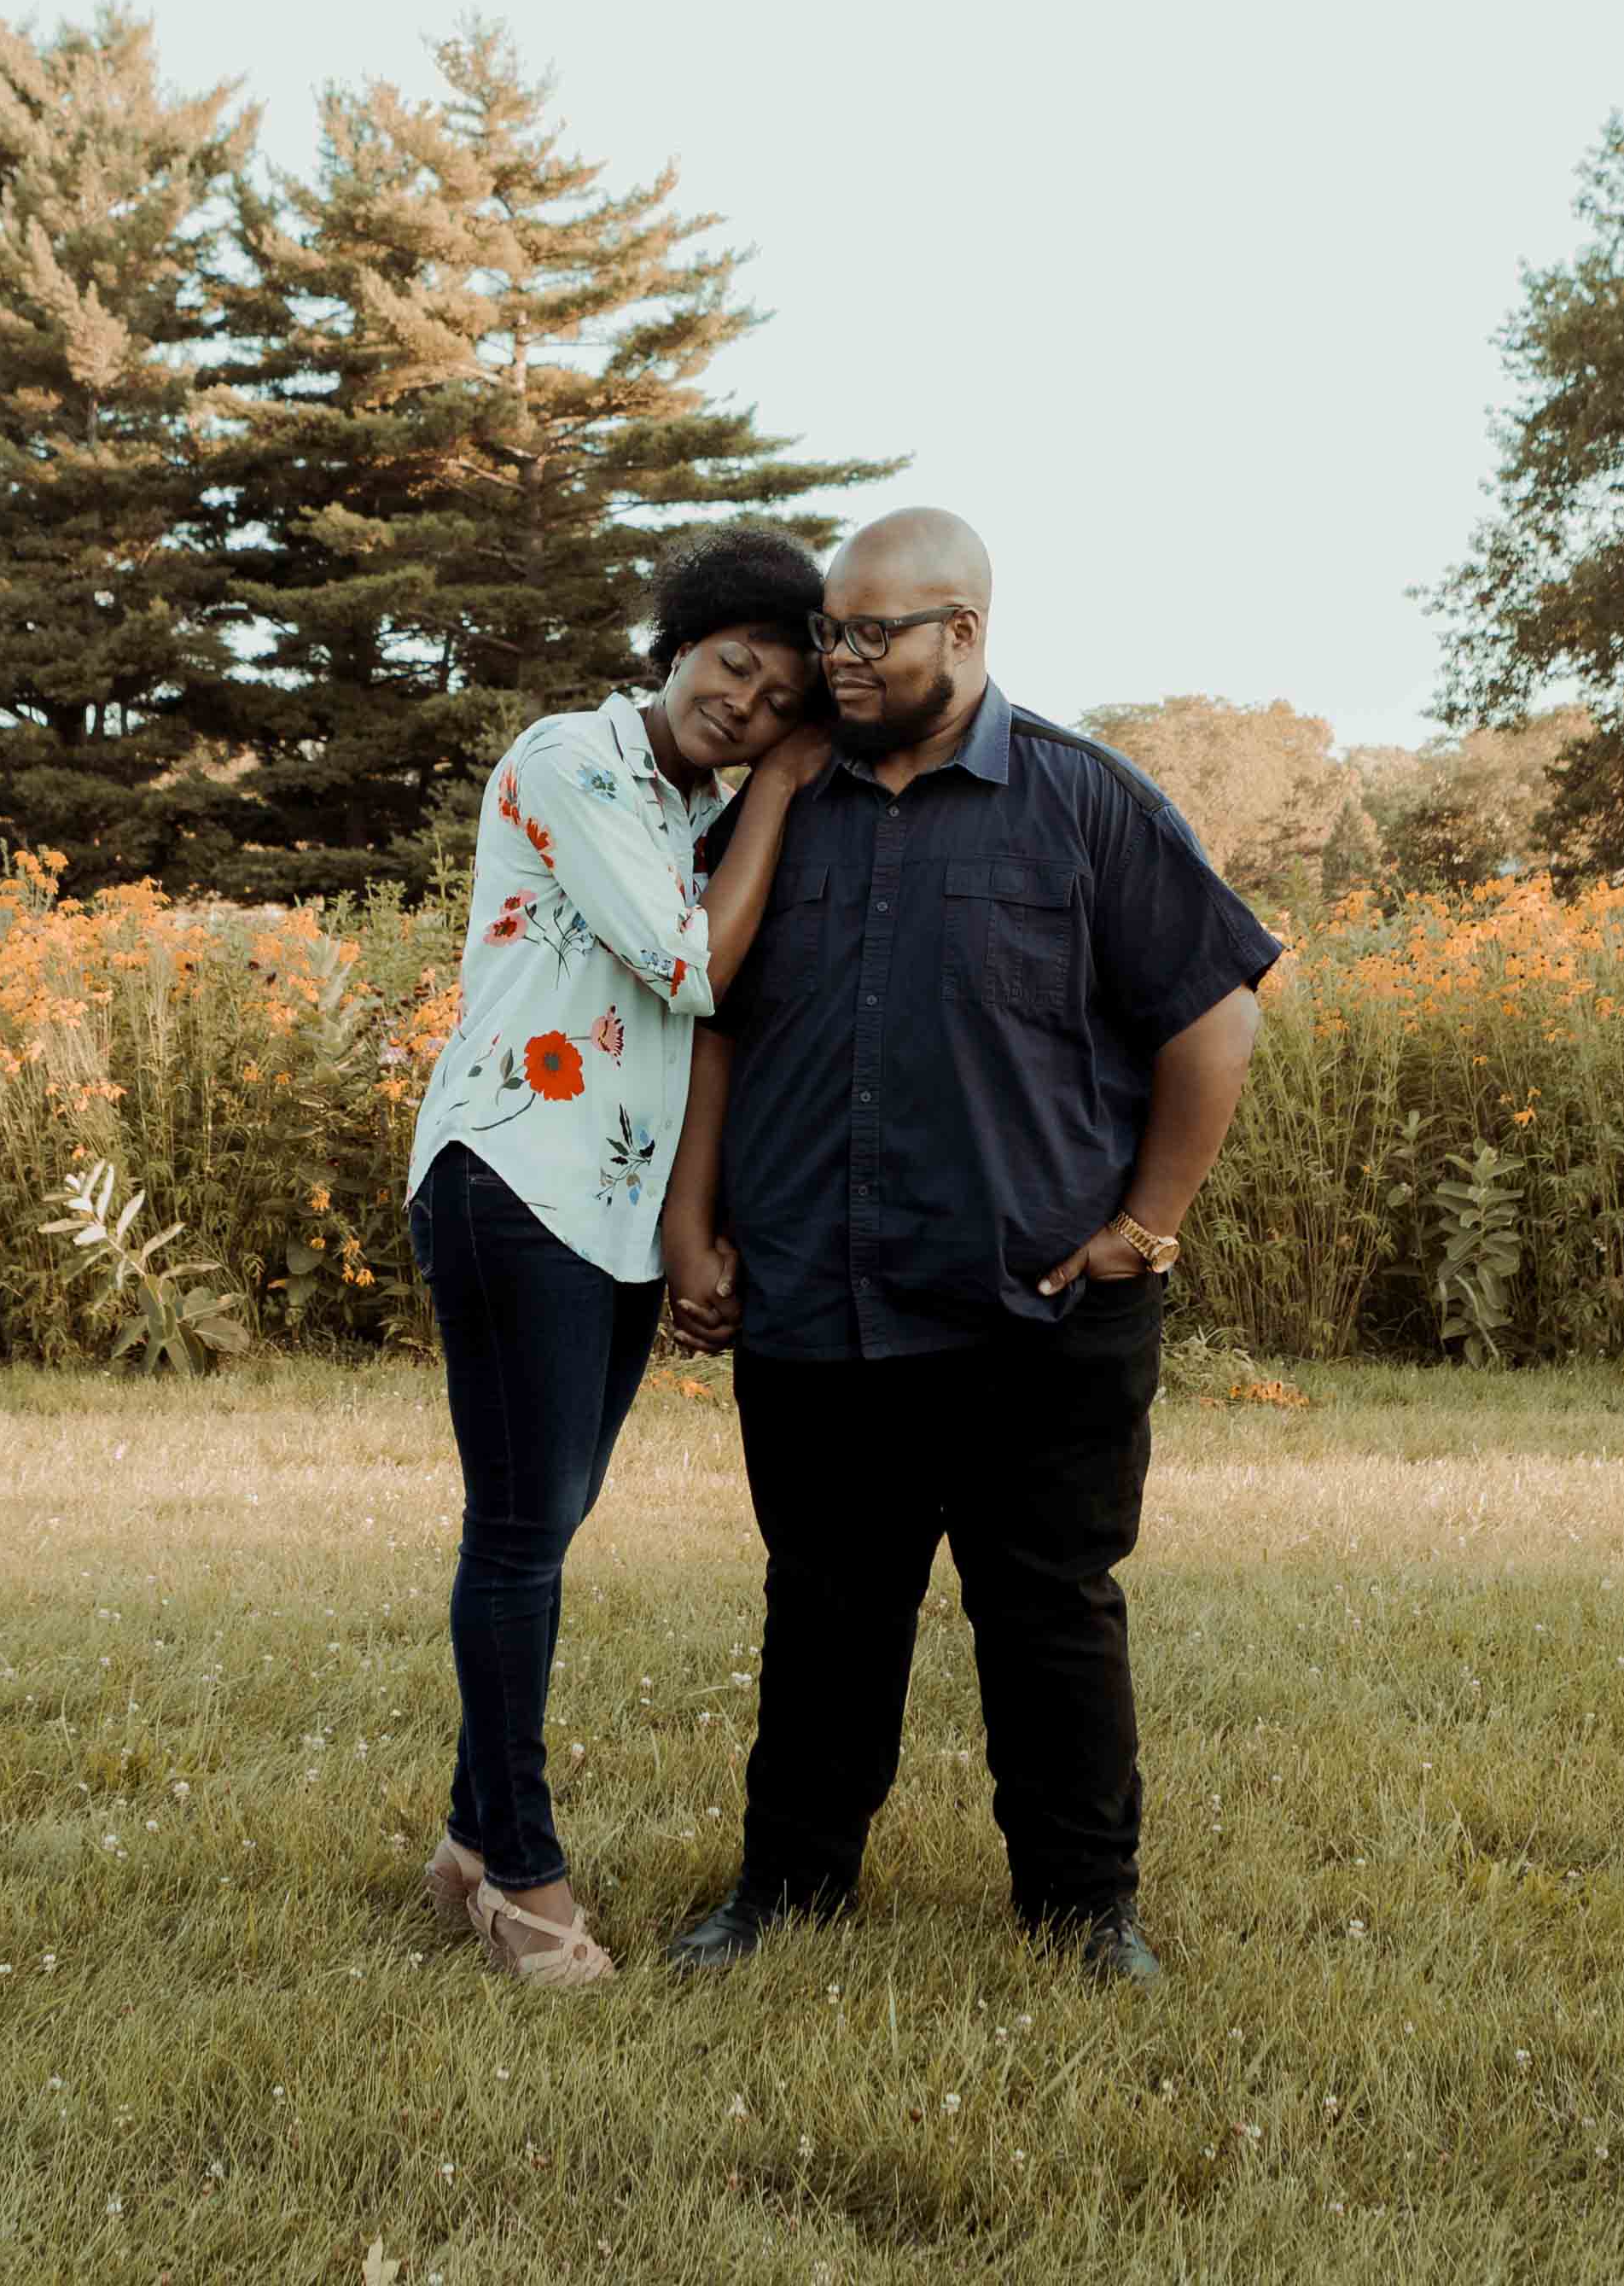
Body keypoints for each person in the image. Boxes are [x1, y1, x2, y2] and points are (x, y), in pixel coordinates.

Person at [655, 506, 1278, 1983]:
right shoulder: (771, 808)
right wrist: (694, 1223)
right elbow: (713, 1027)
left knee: (1051, 1615)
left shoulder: (1083, 800)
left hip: (1041, 1317)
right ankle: (787, 1891)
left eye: (871, 635)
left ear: (965, 633)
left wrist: (1148, 1229)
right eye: (830, 634)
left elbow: (1216, 1013)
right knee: (822, 1614)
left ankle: (1081, 1909)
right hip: (817, 1291)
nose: (839, 662)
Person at [403, 526, 838, 1987]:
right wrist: (781, 785)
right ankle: (523, 1879)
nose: (750, 707)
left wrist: (687, 1225)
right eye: (736, 668)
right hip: (511, 1174)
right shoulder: (571, 759)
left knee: (547, 1521)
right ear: (683, 641)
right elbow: (691, 964)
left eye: (784, 700)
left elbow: (709, 1022)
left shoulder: (699, 812)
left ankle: (470, 1836)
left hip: (610, 1210)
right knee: (521, 1534)